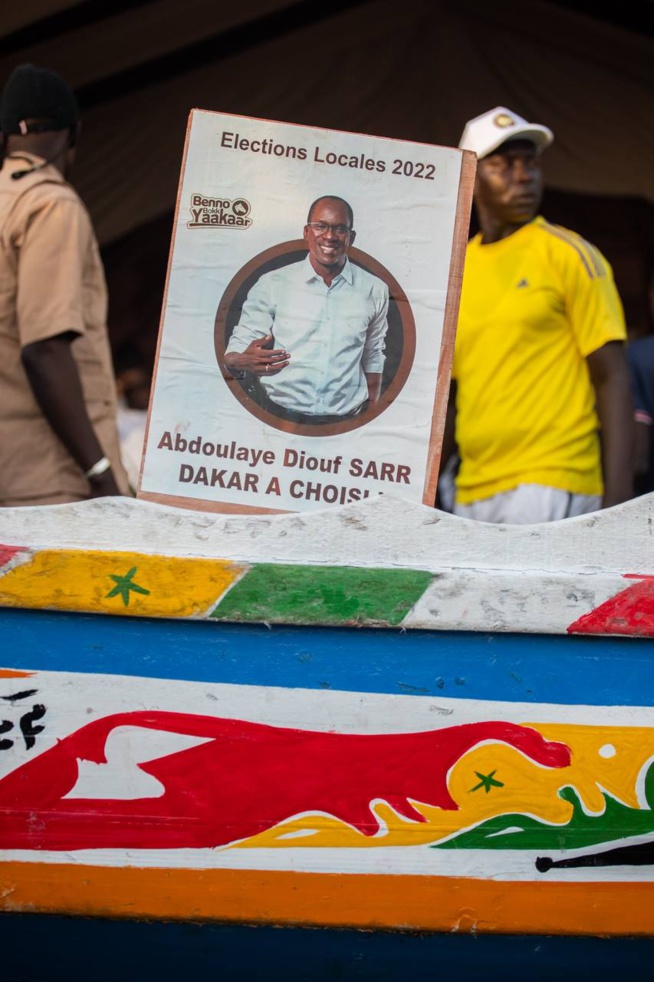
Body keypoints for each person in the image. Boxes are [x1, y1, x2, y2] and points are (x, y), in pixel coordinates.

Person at [442, 106, 633, 524]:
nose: (524, 175)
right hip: (471, 486)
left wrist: (619, 503)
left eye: (530, 163)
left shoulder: (569, 254)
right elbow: (453, 395)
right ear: (470, 177)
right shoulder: (456, 271)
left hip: (551, 477)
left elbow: (613, 376)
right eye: (504, 165)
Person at [0, 63, 129, 506]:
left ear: (4, 136)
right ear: (73, 134)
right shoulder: (51, 206)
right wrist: (100, 473)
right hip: (52, 478)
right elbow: (44, 349)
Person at [223, 195, 389, 424]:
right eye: (320, 226)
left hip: (348, 419)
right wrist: (240, 360)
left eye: (340, 229)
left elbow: (373, 353)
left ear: (351, 237)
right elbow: (238, 348)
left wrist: (372, 414)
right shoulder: (272, 283)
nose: (329, 236)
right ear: (306, 232)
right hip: (277, 416)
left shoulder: (375, 289)